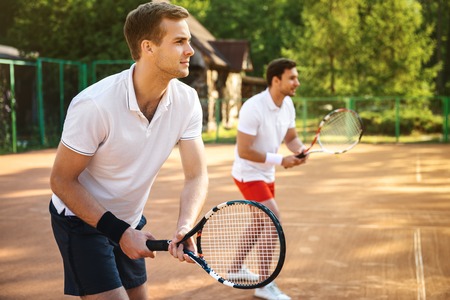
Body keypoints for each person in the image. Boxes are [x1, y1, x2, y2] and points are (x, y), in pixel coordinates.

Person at [49, 2, 208, 299]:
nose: (190, 51)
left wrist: (186, 226)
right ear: (148, 47)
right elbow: (61, 181)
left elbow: (196, 174)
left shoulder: (187, 101)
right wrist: (119, 233)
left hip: (131, 219)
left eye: (189, 41)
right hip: (81, 219)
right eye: (179, 42)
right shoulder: (95, 105)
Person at [230, 58, 307, 300]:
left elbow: (291, 138)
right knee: (273, 218)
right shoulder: (253, 107)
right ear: (276, 80)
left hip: (266, 173)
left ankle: (234, 269)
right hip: (248, 173)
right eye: (292, 78)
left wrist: (300, 149)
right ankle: (265, 284)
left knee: (258, 223)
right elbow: (244, 150)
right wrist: (280, 160)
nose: (297, 82)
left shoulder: (288, 105)